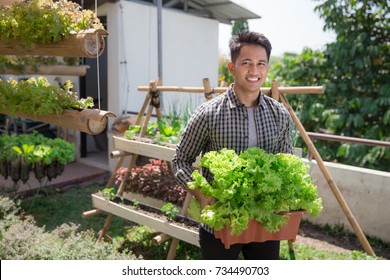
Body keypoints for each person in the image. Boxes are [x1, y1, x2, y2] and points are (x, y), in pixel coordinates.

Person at [172, 31, 293, 260]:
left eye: (261, 64)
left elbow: (286, 165)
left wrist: (288, 197)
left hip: (265, 222)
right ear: (231, 66)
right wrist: (201, 194)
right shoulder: (208, 114)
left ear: (267, 68)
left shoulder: (279, 115)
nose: (254, 71)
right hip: (220, 223)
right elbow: (180, 161)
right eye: (246, 63)